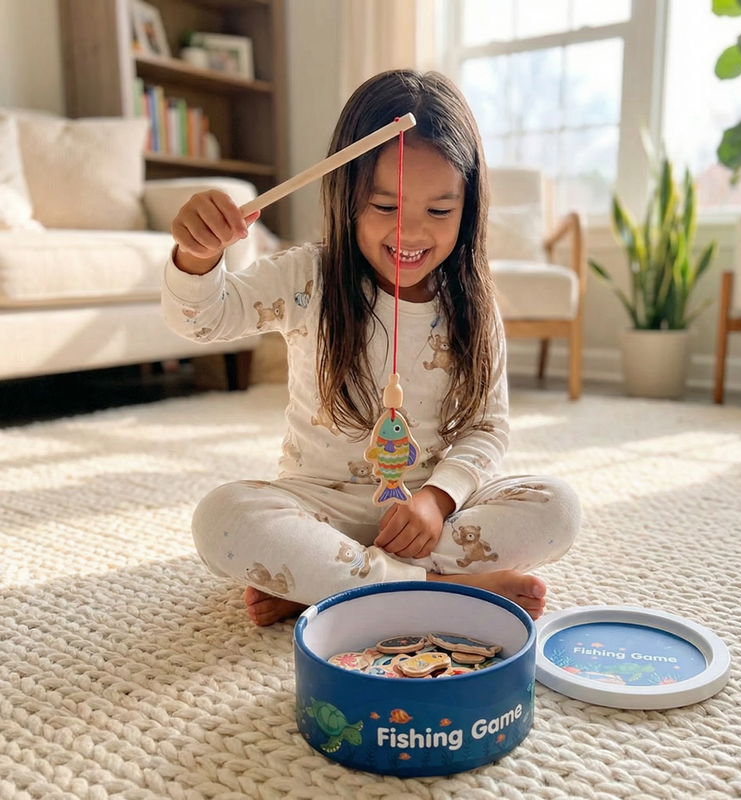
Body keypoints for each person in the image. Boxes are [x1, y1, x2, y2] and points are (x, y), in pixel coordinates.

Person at [163, 69, 580, 627]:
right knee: (223, 518)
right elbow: (203, 319)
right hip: (318, 511)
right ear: (347, 194)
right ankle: (435, 589)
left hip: (429, 517)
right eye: (384, 207)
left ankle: (331, 584)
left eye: (438, 211)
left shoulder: (473, 304)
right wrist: (198, 257)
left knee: (558, 507)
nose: (410, 235)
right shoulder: (308, 277)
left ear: (468, 206)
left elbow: (488, 429)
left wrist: (436, 499)